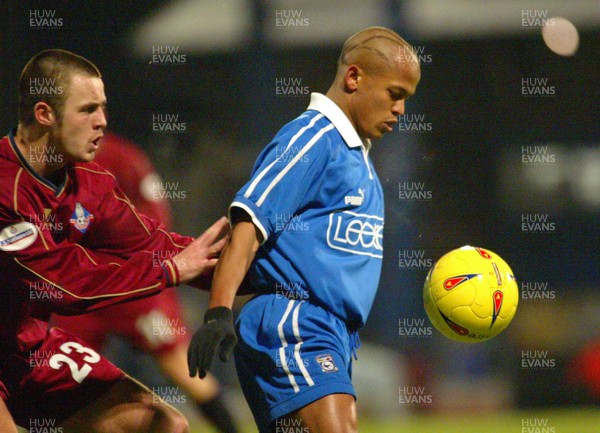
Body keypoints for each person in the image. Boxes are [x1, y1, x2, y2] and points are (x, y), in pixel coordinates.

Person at [187, 26, 421, 432]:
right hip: (294, 322)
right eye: (395, 94)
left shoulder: (357, 160)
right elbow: (248, 222)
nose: (400, 110)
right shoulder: (313, 138)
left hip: (333, 333)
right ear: (354, 78)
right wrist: (218, 313)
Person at [0, 48, 229, 432]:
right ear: (44, 114)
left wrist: (260, 274)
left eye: (103, 108)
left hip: (27, 346)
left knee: (165, 425)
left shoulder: (90, 182)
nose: (102, 122)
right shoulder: (6, 187)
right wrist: (170, 270)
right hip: (40, 325)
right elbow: (61, 284)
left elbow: (152, 242)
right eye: (88, 110)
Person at [53, 132, 239, 433]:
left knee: (185, 371)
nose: (92, 121)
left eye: (96, 109)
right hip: (83, 291)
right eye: (83, 110)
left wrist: (139, 264)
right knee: (61, 379)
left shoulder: (122, 157)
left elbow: (156, 221)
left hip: (137, 289)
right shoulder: (50, 164)